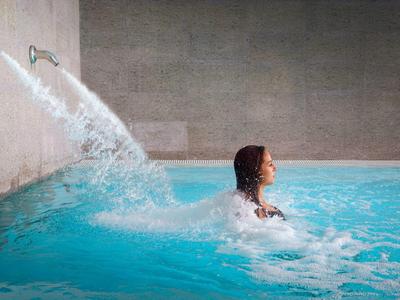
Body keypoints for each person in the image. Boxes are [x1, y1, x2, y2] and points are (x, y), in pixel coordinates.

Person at [234, 145, 285, 220]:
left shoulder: (230, 203)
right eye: (270, 164)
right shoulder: (270, 214)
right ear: (256, 171)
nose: (274, 168)